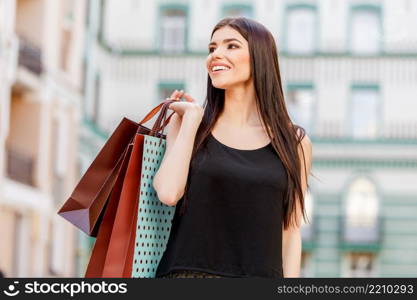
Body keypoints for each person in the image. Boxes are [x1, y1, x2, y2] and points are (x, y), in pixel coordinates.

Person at [152, 17, 312, 278]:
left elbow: (291, 232)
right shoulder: (188, 125)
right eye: (212, 48)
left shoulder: (295, 143)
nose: (216, 55)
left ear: (260, 58)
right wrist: (192, 120)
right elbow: (169, 193)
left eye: (231, 46)